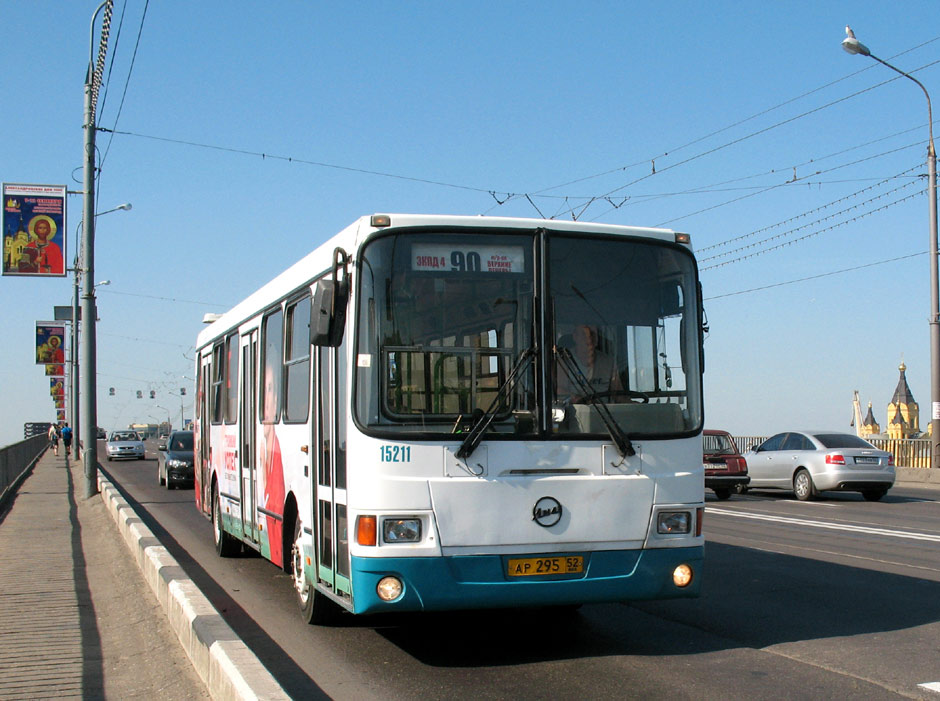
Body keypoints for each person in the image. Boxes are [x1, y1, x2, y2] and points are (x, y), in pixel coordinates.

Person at [557, 324, 623, 401]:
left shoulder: (609, 362)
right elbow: (559, 390)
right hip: (574, 411)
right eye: (584, 334)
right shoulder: (564, 360)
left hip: (606, 412)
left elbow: (620, 396)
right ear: (575, 337)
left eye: (593, 334)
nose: (589, 338)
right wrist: (578, 399)